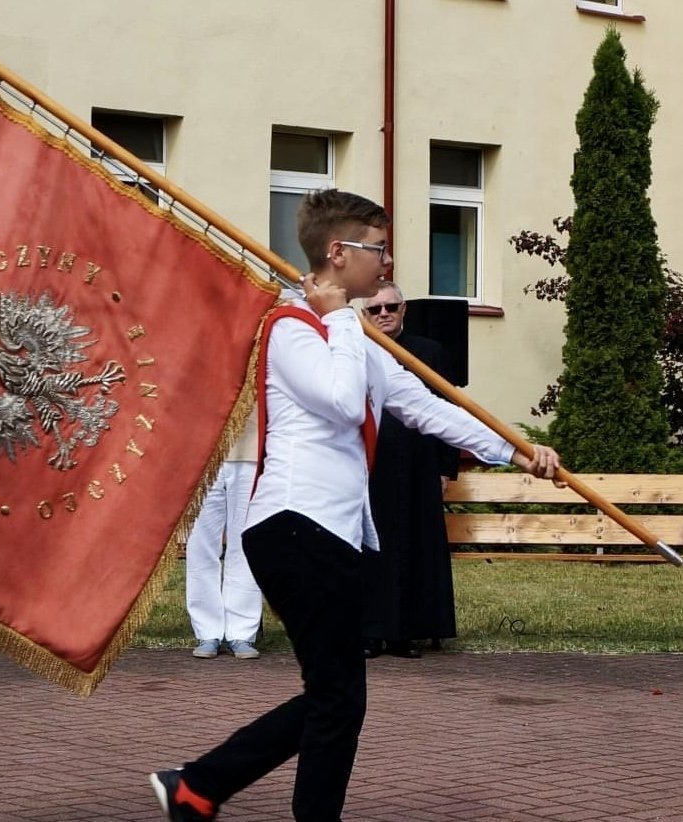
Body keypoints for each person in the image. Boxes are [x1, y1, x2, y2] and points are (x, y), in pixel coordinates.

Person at [149, 188, 562, 821]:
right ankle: (210, 788)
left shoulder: (355, 341)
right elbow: (342, 402)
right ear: (339, 253)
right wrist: (340, 318)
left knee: (334, 696)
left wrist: (516, 450)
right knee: (339, 697)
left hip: (326, 534)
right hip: (292, 527)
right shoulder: (290, 329)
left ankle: (198, 786)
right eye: (378, 249)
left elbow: (424, 407)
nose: (387, 263)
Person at [360, 282, 460, 659]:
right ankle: (369, 631)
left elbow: (451, 411)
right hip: (368, 467)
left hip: (419, 468)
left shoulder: (430, 354)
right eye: (375, 309)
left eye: (391, 307)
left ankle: (407, 632)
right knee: (369, 548)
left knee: (414, 546)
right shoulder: (356, 352)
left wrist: (446, 468)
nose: (383, 314)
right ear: (364, 315)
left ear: (404, 311)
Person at [185, 412, 263, 660]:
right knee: (200, 543)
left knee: (247, 543)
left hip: (251, 447)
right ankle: (207, 631)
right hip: (202, 448)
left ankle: (242, 631)